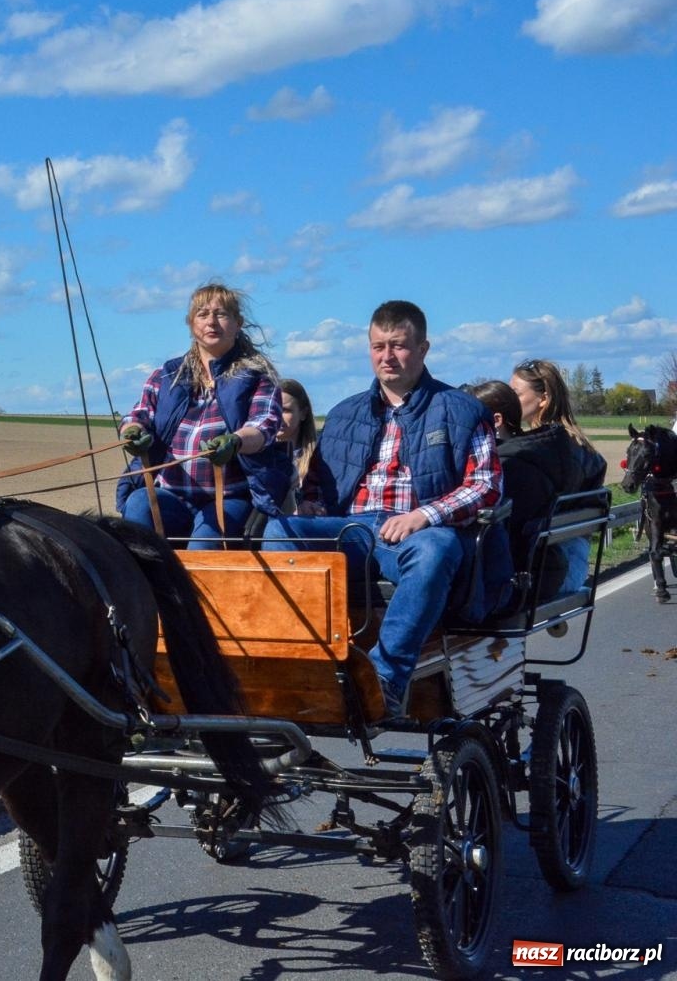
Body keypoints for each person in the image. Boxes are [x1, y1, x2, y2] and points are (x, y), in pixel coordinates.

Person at [265, 301, 505, 717]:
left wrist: (424, 516)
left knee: (436, 550)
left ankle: (384, 680)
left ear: (424, 348)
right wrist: (311, 504)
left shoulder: (462, 411)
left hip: (418, 533)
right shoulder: (344, 415)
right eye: (378, 346)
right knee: (279, 532)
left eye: (399, 345)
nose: (387, 356)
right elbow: (320, 485)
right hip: (352, 531)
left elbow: (486, 486)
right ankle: (301, 663)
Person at [115, 282, 290, 548]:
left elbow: (263, 427)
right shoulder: (165, 376)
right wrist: (131, 433)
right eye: (202, 314)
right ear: (190, 323)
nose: (211, 322)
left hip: (228, 497)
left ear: (238, 322)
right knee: (138, 506)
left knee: (203, 546)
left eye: (221, 314)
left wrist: (235, 442)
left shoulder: (258, 378)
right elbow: (138, 414)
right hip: (169, 494)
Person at [468, 380, 582, 599]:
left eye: (469, 419)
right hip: (551, 568)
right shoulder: (541, 451)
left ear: (496, 420)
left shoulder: (508, 467)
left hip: (521, 581)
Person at [510, 359, 606, 592]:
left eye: (515, 394)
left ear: (543, 399)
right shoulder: (582, 447)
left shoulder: (540, 452)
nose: (508, 401)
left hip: (549, 572)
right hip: (573, 566)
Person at [275, 378, 319, 515]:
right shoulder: (258, 457)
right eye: (273, 409)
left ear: (303, 413)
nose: (277, 417)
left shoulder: (319, 456)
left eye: (286, 410)